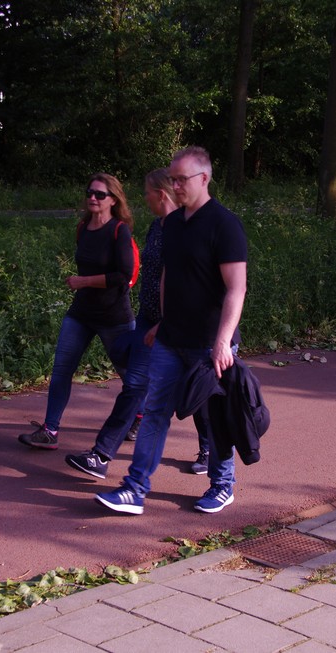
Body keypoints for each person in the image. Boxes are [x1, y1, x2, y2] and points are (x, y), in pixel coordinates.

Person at [96, 146, 248, 514]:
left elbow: (236, 288)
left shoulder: (224, 225)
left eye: (182, 179)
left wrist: (222, 342)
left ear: (204, 178)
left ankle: (222, 484)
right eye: (173, 179)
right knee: (155, 411)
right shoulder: (173, 224)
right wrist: (162, 322)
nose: (175, 185)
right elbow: (168, 275)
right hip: (171, 338)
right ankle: (135, 489)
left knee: (214, 417)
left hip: (209, 344)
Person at [64, 169, 213, 479]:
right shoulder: (157, 227)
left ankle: (209, 449)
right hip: (149, 318)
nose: (144, 198)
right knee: (134, 385)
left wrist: (168, 322)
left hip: (184, 325)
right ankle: (101, 455)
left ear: (161, 194)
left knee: (195, 387)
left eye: (147, 193)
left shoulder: (188, 228)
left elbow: (190, 282)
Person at [18, 173, 136, 450]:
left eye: (100, 194)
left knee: (130, 373)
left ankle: (139, 417)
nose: (93, 198)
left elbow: (124, 275)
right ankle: (50, 430)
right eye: (89, 193)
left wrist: (84, 282)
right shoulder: (83, 228)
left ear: (113, 200)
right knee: (62, 369)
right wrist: (84, 285)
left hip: (114, 316)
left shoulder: (119, 230)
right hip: (81, 313)